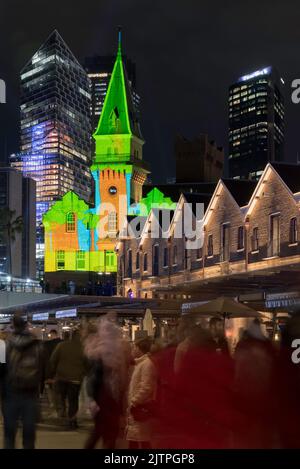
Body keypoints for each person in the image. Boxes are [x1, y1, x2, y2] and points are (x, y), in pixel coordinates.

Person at [84, 312, 131, 449]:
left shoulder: (97, 350)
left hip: (104, 396)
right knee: (106, 431)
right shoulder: (106, 352)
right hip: (106, 396)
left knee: (102, 431)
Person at [233, 319, 277, 448]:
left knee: (248, 428)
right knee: (260, 428)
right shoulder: (267, 346)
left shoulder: (243, 346)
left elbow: (238, 369)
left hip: (247, 393)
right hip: (262, 393)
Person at [3, 314, 44, 449]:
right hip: (31, 392)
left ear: (13, 326)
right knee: (29, 434)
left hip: (10, 392)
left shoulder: (6, 345)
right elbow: (43, 369)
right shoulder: (37, 345)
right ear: (26, 325)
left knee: (9, 434)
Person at [49, 328, 87, 429]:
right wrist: (83, 373)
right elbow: (88, 364)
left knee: (61, 398)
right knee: (73, 400)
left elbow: (53, 360)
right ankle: (72, 420)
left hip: (61, 377)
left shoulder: (61, 345)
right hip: (76, 379)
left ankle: (62, 417)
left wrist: (53, 373)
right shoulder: (83, 348)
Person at [125, 336, 157, 449]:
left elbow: (146, 387)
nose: (133, 350)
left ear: (139, 349)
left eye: (134, 347)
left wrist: (134, 401)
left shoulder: (146, 364)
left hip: (140, 408)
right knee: (136, 439)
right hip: (136, 408)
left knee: (142, 440)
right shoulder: (139, 364)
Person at [43, 330, 62, 417]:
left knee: (51, 391)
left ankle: (54, 410)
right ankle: (61, 410)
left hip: (50, 371)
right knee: (60, 392)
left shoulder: (47, 345)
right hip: (61, 371)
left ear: (51, 335)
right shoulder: (63, 343)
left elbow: (46, 359)